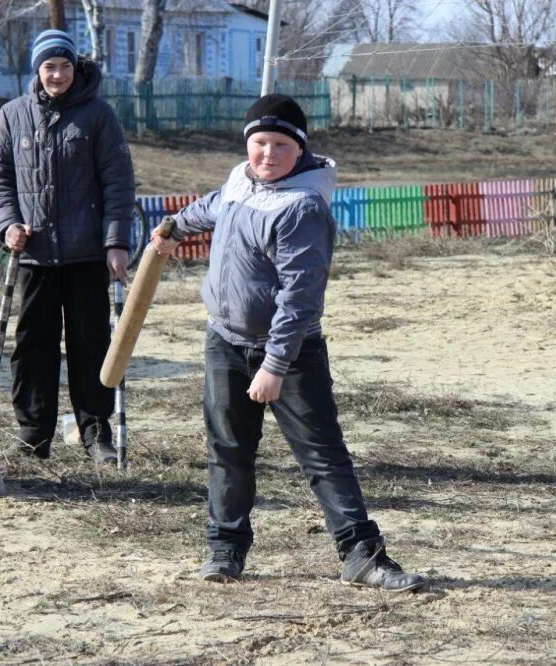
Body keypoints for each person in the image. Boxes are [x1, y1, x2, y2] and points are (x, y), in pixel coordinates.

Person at [151, 94, 425, 592]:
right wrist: (173, 228)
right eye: (260, 142)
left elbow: (300, 298)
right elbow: (212, 206)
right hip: (225, 342)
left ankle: (361, 556)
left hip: (291, 353)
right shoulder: (241, 181)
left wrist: (274, 365)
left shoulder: (302, 207)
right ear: (247, 145)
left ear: (299, 150)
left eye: (281, 144)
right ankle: (224, 551)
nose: (268, 154)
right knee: (228, 451)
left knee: (321, 456)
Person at [0, 29, 135, 464]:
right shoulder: (12, 116)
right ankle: (34, 434)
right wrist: (7, 223)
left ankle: (95, 431)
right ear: (37, 69)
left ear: (76, 67)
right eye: (49, 66)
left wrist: (116, 243)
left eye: (65, 65)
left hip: (87, 252)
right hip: (33, 252)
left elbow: (118, 182)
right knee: (33, 343)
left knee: (91, 342)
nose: (57, 74)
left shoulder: (99, 116)